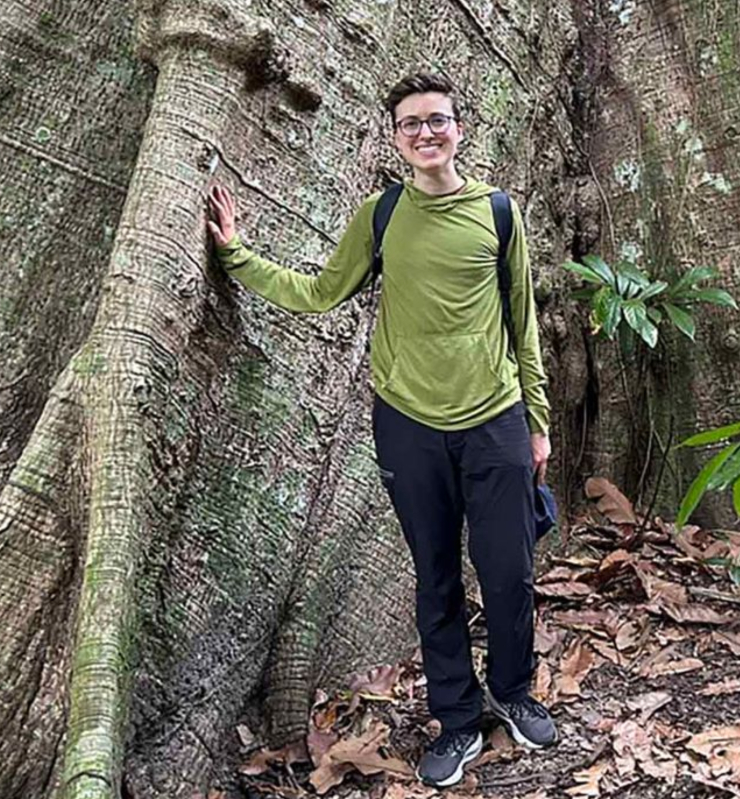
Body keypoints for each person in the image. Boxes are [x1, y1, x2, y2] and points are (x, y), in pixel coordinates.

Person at [206, 71, 557, 788]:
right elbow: (321, 291)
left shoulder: (497, 212)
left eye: (438, 120)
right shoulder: (382, 213)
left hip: (496, 420)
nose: (427, 133)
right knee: (435, 580)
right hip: (408, 425)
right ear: (394, 137)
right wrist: (236, 254)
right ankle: (458, 722)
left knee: (509, 571)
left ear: (460, 127)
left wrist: (539, 424)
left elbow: (524, 324)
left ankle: (514, 691)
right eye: (412, 124)